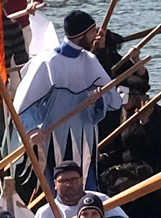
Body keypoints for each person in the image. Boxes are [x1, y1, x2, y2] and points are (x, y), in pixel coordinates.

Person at [12, 9, 124, 172]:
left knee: (85, 178)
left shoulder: (90, 61)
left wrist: (98, 99)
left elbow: (114, 101)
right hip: (53, 138)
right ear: (81, 35)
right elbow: (22, 105)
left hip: (86, 138)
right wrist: (32, 129)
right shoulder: (47, 62)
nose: (96, 36)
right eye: (92, 32)